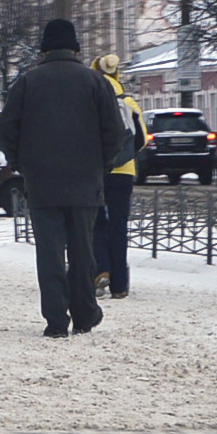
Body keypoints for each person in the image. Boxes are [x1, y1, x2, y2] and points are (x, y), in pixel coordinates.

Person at [0, 18, 123, 338]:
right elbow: (115, 131)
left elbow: (5, 129)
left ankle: (56, 321)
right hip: (85, 182)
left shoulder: (27, 82)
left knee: (49, 253)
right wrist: (103, 164)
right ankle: (85, 315)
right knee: (83, 252)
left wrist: (20, 163)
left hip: (42, 184)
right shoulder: (96, 82)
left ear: (44, 49)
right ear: (75, 48)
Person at [95, 53, 146, 301]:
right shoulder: (129, 102)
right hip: (124, 173)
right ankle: (120, 285)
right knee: (118, 225)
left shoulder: (92, 99)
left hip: (96, 172)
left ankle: (100, 270)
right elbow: (142, 140)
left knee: (95, 223)